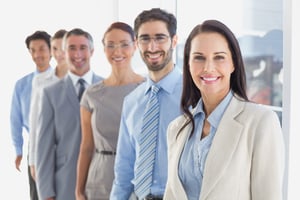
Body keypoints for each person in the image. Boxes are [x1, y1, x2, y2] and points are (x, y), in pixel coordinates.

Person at [163, 19, 285, 200]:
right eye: (199, 57)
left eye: (219, 57)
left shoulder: (261, 122)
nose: (208, 67)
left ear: (233, 63)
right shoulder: (176, 129)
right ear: (188, 64)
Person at [110, 8, 182, 200]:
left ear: (174, 41)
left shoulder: (194, 96)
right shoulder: (131, 101)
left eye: (160, 38)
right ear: (136, 43)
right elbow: (124, 169)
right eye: (144, 39)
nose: (151, 47)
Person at [75, 22, 145, 200]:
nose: (117, 51)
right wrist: (79, 190)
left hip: (137, 178)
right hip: (99, 179)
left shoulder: (147, 90)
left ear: (135, 46)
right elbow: (86, 146)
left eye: (124, 44)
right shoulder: (92, 94)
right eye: (111, 45)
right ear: (103, 49)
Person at [35, 28, 103, 200]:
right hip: (65, 183)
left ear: (92, 51)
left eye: (83, 48)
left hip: (103, 181)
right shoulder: (50, 93)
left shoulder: (106, 88)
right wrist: (46, 193)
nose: (77, 54)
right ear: (64, 52)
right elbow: (44, 148)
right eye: (72, 48)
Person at [10, 30, 52, 200]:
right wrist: (19, 150)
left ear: (51, 50)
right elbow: (15, 120)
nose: (37, 54)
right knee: (37, 194)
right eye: (33, 50)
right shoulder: (22, 85)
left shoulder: (64, 81)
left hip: (62, 147)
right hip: (35, 148)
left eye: (41, 49)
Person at [28, 29, 68, 182]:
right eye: (55, 48)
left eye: (63, 48)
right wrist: (32, 161)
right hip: (44, 151)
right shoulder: (40, 81)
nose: (59, 54)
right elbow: (34, 122)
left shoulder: (80, 81)